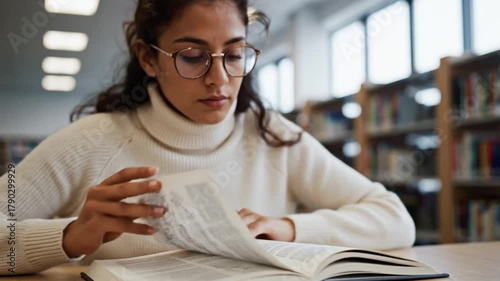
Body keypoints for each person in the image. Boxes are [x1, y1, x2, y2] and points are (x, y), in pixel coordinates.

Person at [0, 0, 415, 275]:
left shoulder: (273, 137)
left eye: (233, 54)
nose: (219, 79)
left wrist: (286, 227)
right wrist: (71, 235)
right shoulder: (87, 142)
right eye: (193, 57)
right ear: (149, 59)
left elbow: (394, 218)